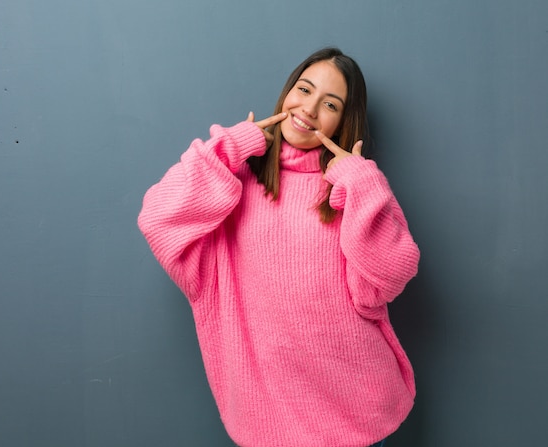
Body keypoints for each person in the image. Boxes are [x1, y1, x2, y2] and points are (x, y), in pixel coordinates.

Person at [138, 47, 419, 447]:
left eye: (330, 104)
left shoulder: (347, 190)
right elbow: (158, 218)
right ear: (288, 91)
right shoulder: (232, 185)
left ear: (343, 122)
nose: (309, 108)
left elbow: (387, 279)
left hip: (358, 409)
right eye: (304, 89)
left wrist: (363, 183)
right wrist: (228, 148)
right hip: (269, 419)